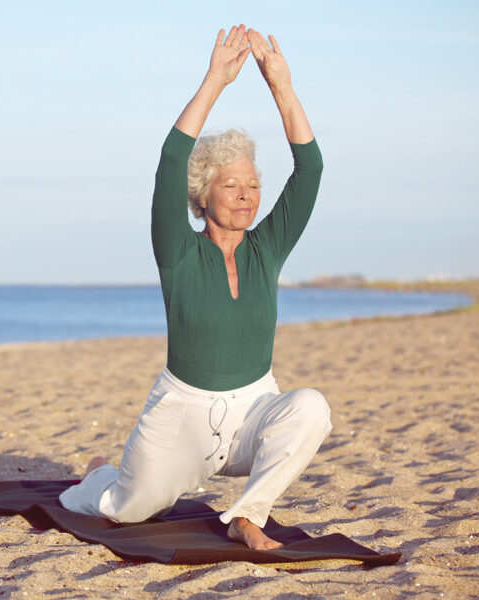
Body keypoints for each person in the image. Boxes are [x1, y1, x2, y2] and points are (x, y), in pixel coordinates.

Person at [59, 25, 330, 551]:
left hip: (254, 410)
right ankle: (98, 476)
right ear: (202, 195)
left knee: (312, 407)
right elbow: (168, 162)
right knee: (126, 509)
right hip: (181, 414)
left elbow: (311, 168)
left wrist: (281, 86)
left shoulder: (266, 247)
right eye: (231, 184)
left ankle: (249, 515)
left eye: (253, 185)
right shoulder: (178, 251)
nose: (247, 195)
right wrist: (214, 81)